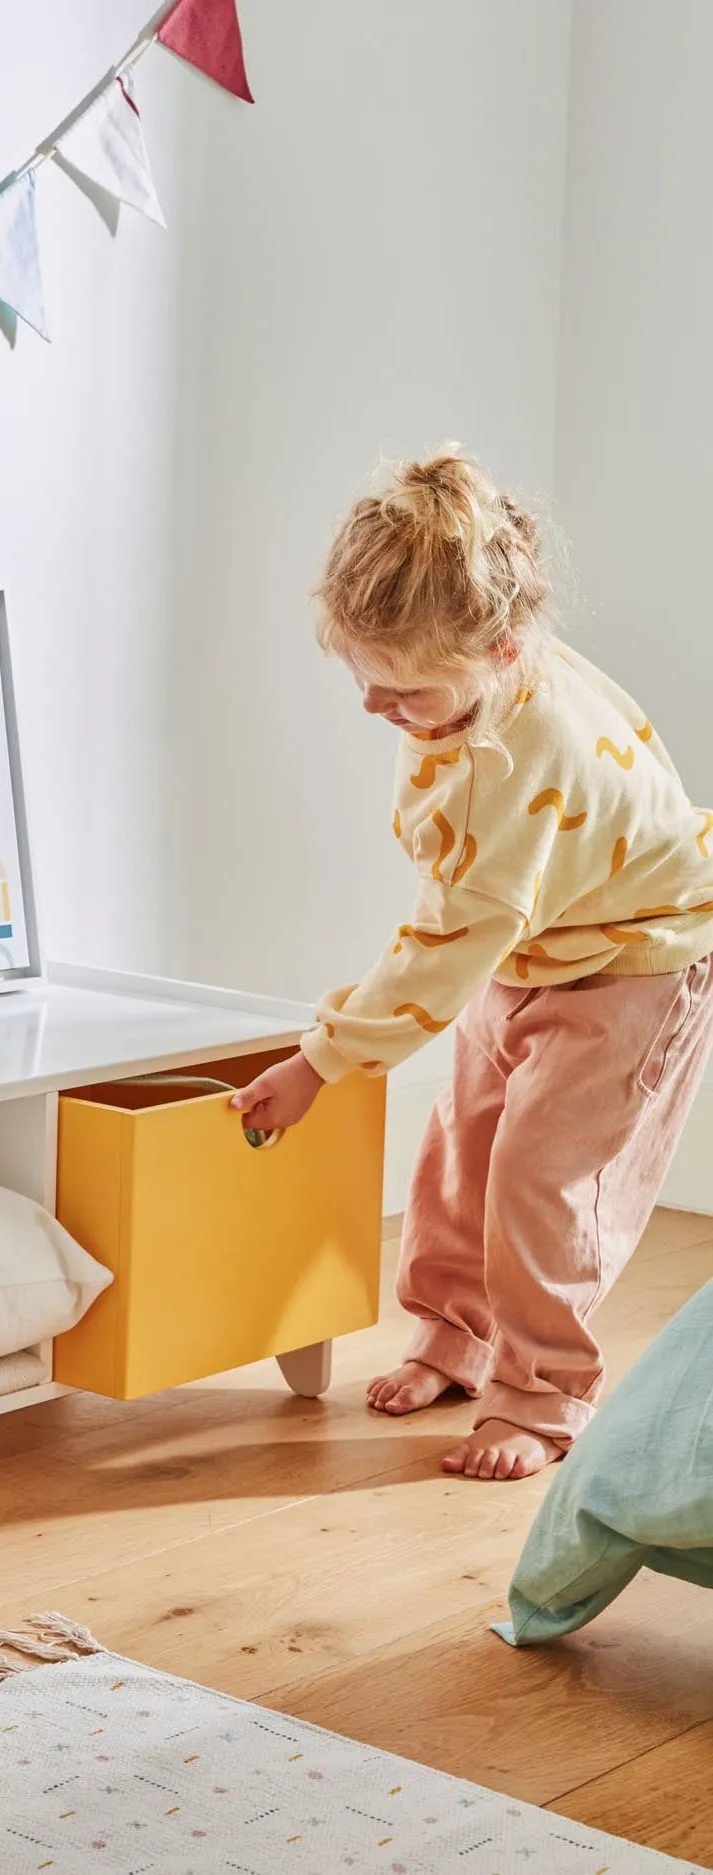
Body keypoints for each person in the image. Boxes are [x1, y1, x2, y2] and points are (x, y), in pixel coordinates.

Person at [231, 448, 713, 1481]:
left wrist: (321, 1061)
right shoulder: (487, 666)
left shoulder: (516, 772)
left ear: (499, 652)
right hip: (538, 940)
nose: (374, 708)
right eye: (362, 676)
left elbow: (441, 953)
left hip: (636, 962)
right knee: (464, 1147)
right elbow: (466, 925)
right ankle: (456, 1334)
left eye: (402, 691)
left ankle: (542, 1396)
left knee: (544, 1178)